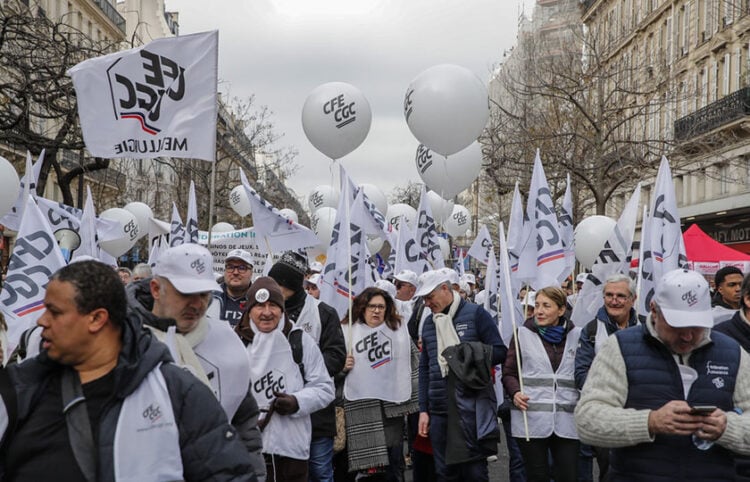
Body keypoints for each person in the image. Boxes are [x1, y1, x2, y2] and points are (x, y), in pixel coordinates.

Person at [0, 260, 256, 481]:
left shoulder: (176, 393)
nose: (41, 321)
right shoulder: (17, 390)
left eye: (54, 312)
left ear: (97, 319)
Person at [575, 269, 750, 481]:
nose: (687, 336)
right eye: (677, 326)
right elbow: (587, 420)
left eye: (697, 327)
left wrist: (727, 427)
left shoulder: (732, 352)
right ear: (654, 310)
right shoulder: (620, 347)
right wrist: (649, 421)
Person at [127, 243, 265, 479]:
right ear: (156, 289)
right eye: (185, 293)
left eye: (203, 294)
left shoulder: (227, 343)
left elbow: (244, 426)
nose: (197, 304)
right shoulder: (121, 339)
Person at [235, 277, 335, 482]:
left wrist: (297, 402)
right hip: (246, 449)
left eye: (273, 305)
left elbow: (325, 388)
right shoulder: (233, 341)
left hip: (291, 449)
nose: (267, 312)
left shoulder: (299, 340)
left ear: (282, 308)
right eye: (260, 306)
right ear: (249, 309)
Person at [416, 270, 506, 481]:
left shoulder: (476, 314)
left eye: (429, 297)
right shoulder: (429, 323)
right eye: (423, 299)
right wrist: (423, 410)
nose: (427, 304)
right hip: (439, 410)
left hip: (471, 408)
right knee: (444, 473)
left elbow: (500, 351)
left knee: (474, 472)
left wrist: (469, 353)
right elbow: (425, 368)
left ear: (445, 289)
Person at [268, 252, 346, 482]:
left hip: (316, 412)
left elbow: (336, 355)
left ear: (290, 285)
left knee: (319, 472)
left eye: (279, 284)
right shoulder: (266, 311)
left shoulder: (323, 312)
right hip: (279, 408)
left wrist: (303, 372)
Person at [503, 286, 582, 482]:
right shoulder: (521, 334)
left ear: (561, 310)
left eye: (546, 306)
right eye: (537, 305)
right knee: (537, 476)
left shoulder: (578, 335)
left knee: (568, 476)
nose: (539, 310)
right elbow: (509, 373)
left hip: (568, 420)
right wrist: (515, 393)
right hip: (532, 419)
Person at [340, 287, 419, 481]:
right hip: (360, 409)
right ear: (362, 308)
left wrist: (414, 401)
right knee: (364, 471)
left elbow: (414, 365)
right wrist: (342, 368)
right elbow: (328, 369)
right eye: (372, 306)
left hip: (391, 409)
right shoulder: (346, 331)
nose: (376, 311)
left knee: (393, 466)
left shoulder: (398, 330)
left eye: (381, 307)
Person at [574, 273, 639, 481]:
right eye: (609, 295)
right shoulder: (591, 330)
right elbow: (581, 373)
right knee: (610, 472)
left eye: (620, 296)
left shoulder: (647, 329)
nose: (614, 300)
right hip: (606, 416)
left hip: (639, 415)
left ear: (633, 299)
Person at [214, 249, 255, 326]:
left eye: (242, 268)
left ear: (251, 273)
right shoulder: (210, 297)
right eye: (230, 267)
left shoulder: (258, 301)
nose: (235, 272)